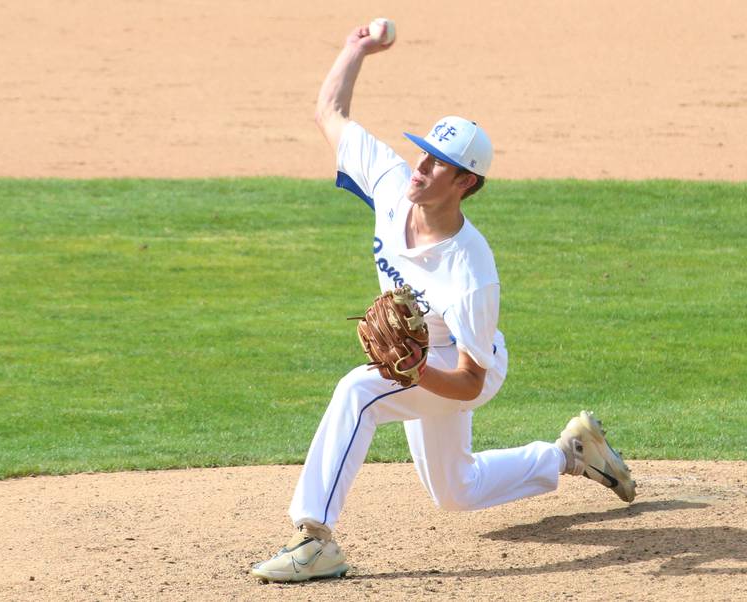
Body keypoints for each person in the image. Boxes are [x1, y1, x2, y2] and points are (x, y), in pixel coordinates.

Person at [251, 23, 635, 583]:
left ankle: (315, 539)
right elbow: (329, 113)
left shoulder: (471, 270)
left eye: (436, 164)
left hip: (460, 364)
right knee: (455, 491)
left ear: (465, 183)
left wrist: (412, 368)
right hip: (420, 360)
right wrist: (356, 49)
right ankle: (571, 454)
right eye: (423, 153)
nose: (421, 167)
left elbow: (472, 383)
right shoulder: (389, 183)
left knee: (357, 391)